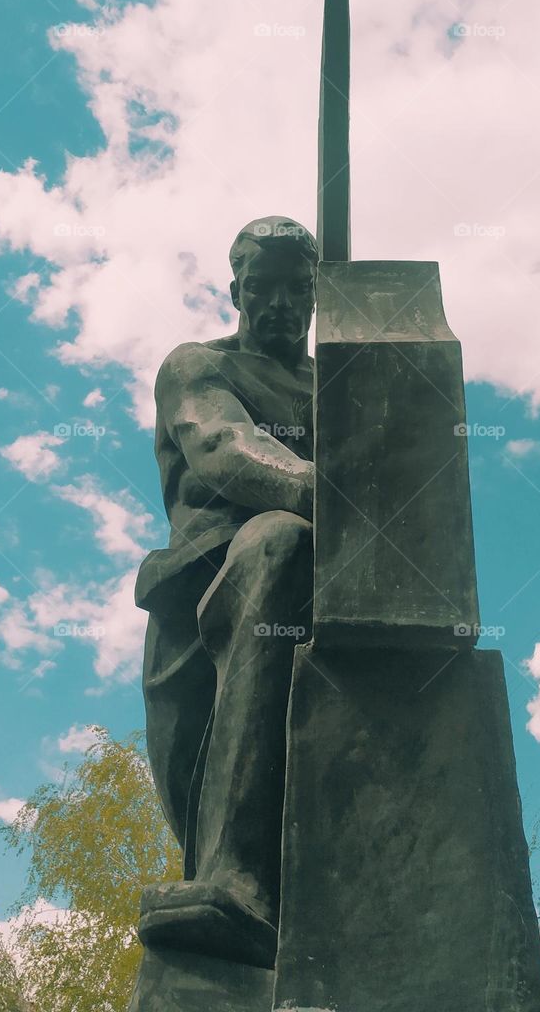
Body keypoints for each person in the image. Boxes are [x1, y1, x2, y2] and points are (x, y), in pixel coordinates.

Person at [136, 215, 318, 968]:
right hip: (199, 607)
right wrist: (335, 491)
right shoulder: (197, 366)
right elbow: (223, 447)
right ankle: (228, 878)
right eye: (262, 287)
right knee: (193, 808)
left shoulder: (339, 386)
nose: (278, 303)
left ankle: (241, 884)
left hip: (297, 587)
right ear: (235, 288)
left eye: (296, 289)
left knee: (279, 540)